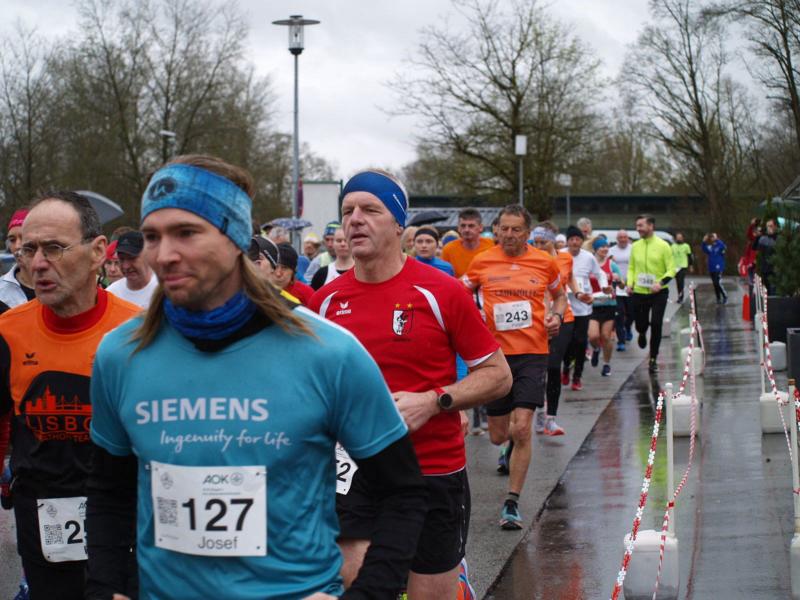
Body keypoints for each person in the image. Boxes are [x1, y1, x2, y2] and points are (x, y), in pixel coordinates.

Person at [86, 155, 429, 599]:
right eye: (152, 236)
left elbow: (403, 492)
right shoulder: (121, 353)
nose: (164, 254)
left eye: (186, 233)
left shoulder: (328, 352)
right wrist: (105, 588)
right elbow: (109, 491)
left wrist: (367, 595)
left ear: (234, 238)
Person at [309, 169, 511, 599]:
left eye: (370, 209)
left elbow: (498, 376)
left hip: (431, 466)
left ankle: (455, 580)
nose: (355, 219)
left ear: (399, 223)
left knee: (428, 592)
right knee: (355, 574)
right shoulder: (324, 302)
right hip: (355, 467)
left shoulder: (442, 292)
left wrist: (436, 401)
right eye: (348, 210)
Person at [0, 191, 140, 600]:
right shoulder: (8, 332)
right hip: (42, 517)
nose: (38, 263)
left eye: (55, 248)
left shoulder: (139, 332)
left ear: (98, 252)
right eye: (29, 250)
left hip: (123, 518)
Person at [463, 206, 566, 530]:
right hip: (494, 357)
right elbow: (459, 294)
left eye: (516, 229)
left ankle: (512, 502)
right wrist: (472, 319)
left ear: (527, 233)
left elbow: (560, 296)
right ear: (497, 230)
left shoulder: (544, 262)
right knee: (497, 435)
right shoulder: (482, 261)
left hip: (533, 352)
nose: (508, 235)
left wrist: (557, 316)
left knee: (522, 428)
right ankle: (507, 446)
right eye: (503, 229)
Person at [530, 223, 575, 437]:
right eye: (535, 242)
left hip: (562, 316)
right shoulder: (529, 260)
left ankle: (551, 418)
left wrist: (579, 291)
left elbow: (568, 279)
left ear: (553, 241)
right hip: (536, 319)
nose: (538, 246)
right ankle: (540, 410)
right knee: (540, 369)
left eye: (543, 242)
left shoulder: (565, 258)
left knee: (553, 366)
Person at [627, 214, 676, 373]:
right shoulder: (635, 246)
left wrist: (660, 283)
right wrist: (629, 284)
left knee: (656, 323)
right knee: (640, 324)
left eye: (641, 225)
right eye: (637, 226)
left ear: (651, 226)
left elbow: (671, 269)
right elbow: (631, 268)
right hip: (639, 292)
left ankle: (653, 358)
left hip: (658, 293)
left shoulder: (663, 246)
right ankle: (641, 332)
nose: (638, 229)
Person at [561, 226, 608, 391]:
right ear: (567, 241)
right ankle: (566, 367)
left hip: (583, 307)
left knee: (580, 342)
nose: (574, 242)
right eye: (571, 239)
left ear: (582, 241)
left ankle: (577, 376)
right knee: (566, 342)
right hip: (565, 305)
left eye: (578, 239)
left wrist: (603, 286)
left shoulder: (588, 257)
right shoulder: (560, 255)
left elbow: (600, 273)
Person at [588, 238, 622, 377]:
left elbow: (622, 285)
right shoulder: (589, 264)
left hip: (609, 305)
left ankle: (606, 364)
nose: (605, 249)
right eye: (601, 247)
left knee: (606, 336)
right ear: (595, 249)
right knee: (593, 336)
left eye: (606, 247)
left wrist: (618, 280)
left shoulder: (612, 265)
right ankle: (596, 349)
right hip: (592, 305)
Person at [106, 231, 159, 309]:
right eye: (121, 259)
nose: (126, 266)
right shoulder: (111, 294)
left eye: (132, 258)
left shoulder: (165, 289)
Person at [440, 208, 494, 278]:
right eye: (463, 226)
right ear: (458, 228)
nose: (466, 230)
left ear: (480, 227)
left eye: (471, 226)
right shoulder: (448, 249)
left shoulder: (491, 246)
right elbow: (444, 277)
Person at [0, 208, 35, 313]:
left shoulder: (63, 284)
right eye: (12, 240)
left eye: (24, 237)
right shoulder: (2, 290)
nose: (17, 246)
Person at [609, 229, 633, 351]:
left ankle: (628, 327)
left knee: (631, 313)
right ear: (617, 239)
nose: (623, 239)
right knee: (619, 314)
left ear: (628, 238)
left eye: (625, 237)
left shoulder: (633, 249)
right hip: (617, 286)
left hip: (630, 285)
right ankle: (621, 340)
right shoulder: (611, 251)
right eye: (620, 237)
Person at [753, 218, 779, 295]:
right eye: (767, 226)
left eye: (771, 226)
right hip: (765, 270)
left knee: (773, 292)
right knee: (766, 293)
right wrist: (757, 237)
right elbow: (755, 248)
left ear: (775, 226)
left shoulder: (779, 238)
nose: (769, 228)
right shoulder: (764, 239)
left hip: (775, 271)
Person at [702, 232, 728, 304]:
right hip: (711, 268)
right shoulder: (710, 247)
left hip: (718, 267)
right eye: (711, 237)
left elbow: (723, 246)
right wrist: (704, 241)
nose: (712, 238)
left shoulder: (719, 245)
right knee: (714, 284)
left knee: (717, 282)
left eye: (714, 237)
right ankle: (718, 298)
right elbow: (704, 248)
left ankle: (724, 295)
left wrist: (717, 239)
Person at [672, 232, 693, 303]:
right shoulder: (673, 246)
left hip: (683, 266)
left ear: (682, 238)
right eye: (677, 237)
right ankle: (679, 296)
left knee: (681, 282)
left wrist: (691, 266)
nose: (679, 239)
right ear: (676, 238)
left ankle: (681, 298)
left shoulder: (686, 246)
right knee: (678, 282)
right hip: (675, 267)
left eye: (680, 237)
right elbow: (670, 256)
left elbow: (690, 257)